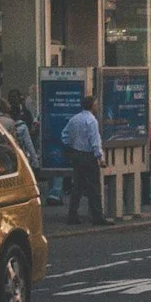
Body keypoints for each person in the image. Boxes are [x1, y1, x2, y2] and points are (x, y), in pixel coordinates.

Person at [62, 92, 106, 226]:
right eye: (96, 104)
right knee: (94, 187)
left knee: (77, 187)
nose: (97, 106)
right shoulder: (92, 121)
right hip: (88, 155)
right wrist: (100, 157)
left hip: (77, 154)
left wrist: (71, 145)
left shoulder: (74, 119)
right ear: (92, 106)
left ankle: (72, 216)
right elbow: (95, 140)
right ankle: (97, 217)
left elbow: (64, 135)